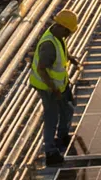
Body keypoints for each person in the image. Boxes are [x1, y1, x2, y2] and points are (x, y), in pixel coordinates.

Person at [28, 9, 81, 167]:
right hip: (48, 88)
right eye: (68, 32)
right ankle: (50, 152)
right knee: (51, 117)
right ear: (63, 27)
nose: (68, 35)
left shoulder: (57, 36)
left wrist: (70, 58)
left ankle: (63, 136)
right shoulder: (48, 44)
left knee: (68, 109)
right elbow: (41, 69)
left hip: (60, 84)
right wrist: (53, 89)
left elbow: (62, 50)